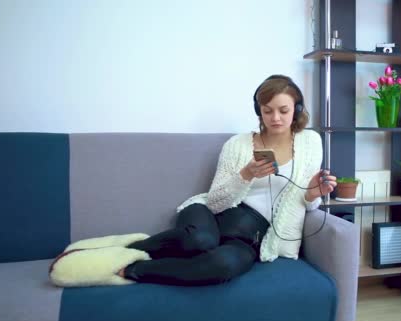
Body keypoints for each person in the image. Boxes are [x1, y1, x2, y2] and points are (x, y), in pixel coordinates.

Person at [116, 75, 338, 286]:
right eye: (267, 111)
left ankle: (137, 270)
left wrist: (312, 194)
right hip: (211, 214)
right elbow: (214, 202)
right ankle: (125, 249)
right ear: (258, 111)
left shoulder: (310, 142)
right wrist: (246, 175)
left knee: (222, 266)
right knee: (199, 240)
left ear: (297, 109)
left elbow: (308, 204)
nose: (276, 118)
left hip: (251, 235)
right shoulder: (238, 144)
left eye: (283, 110)